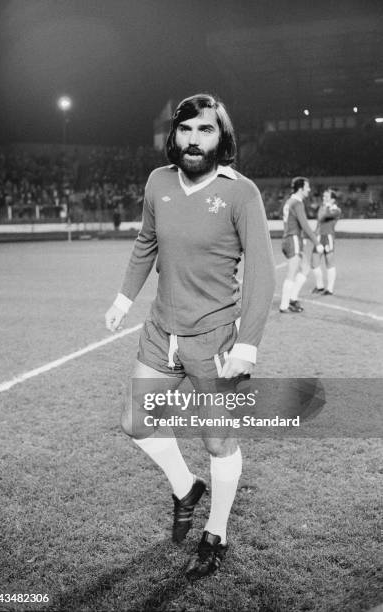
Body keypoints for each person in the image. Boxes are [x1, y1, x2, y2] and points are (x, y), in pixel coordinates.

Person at [105, 94, 275, 579]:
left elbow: (262, 274)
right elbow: (146, 242)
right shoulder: (158, 181)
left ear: (221, 138)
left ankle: (215, 534)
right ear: (173, 136)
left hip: (215, 339)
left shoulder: (242, 193)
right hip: (162, 330)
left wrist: (248, 344)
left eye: (205, 130)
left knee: (218, 444)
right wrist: (123, 300)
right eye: (185, 130)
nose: (194, 139)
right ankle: (185, 488)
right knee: (136, 422)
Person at [279, 177, 324, 313]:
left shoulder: (289, 201)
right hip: (293, 240)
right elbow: (304, 225)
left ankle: (292, 299)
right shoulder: (297, 203)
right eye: (307, 187)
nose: (309, 190)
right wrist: (317, 243)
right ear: (300, 189)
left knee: (305, 268)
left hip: (291, 239)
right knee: (292, 273)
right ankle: (284, 305)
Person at [311, 187, 341, 295]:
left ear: (333, 199)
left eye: (326, 196)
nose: (323, 198)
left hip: (328, 238)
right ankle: (319, 286)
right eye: (323, 196)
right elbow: (319, 220)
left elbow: (324, 217)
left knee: (329, 262)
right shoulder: (323, 207)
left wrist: (327, 207)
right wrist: (314, 235)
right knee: (314, 262)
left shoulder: (336, 210)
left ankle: (330, 289)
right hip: (319, 237)